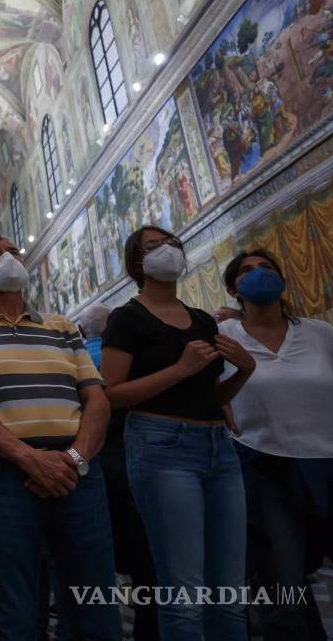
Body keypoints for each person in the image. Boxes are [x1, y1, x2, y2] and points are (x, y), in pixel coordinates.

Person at [0, 235, 121, 641]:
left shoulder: (62, 326)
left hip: (78, 475)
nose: (9, 257)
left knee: (94, 603)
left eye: (13, 251)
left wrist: (73, 458)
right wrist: (28, 458)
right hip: (5, 476)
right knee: (15, 609)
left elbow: (96, 400)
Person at [100, 226, 256, 640]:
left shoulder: (203, 320)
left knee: (229, 593)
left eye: (172, 245)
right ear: (138, 261)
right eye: (154, 247)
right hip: (161, 446)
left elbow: (210, 394)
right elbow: (112, 395)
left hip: (218, 447)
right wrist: (180, 368)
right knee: (184, 593)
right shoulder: (126, 318)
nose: (166, 252)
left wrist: (246, 370)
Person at [220, 249, 333, 640]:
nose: (258, 275)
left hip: (325, 459)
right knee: (282, 578)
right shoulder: (222, 339)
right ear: (234, 287)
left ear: (282, 278)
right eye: (247, 271)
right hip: (262, 462)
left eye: (267, 268)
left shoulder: (319, 334)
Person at [80, 303, 159, 641]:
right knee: (146, 551)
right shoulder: (132, 358)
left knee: (94, 552)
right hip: (138, 454)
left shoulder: (79, 358)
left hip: (93, 461)